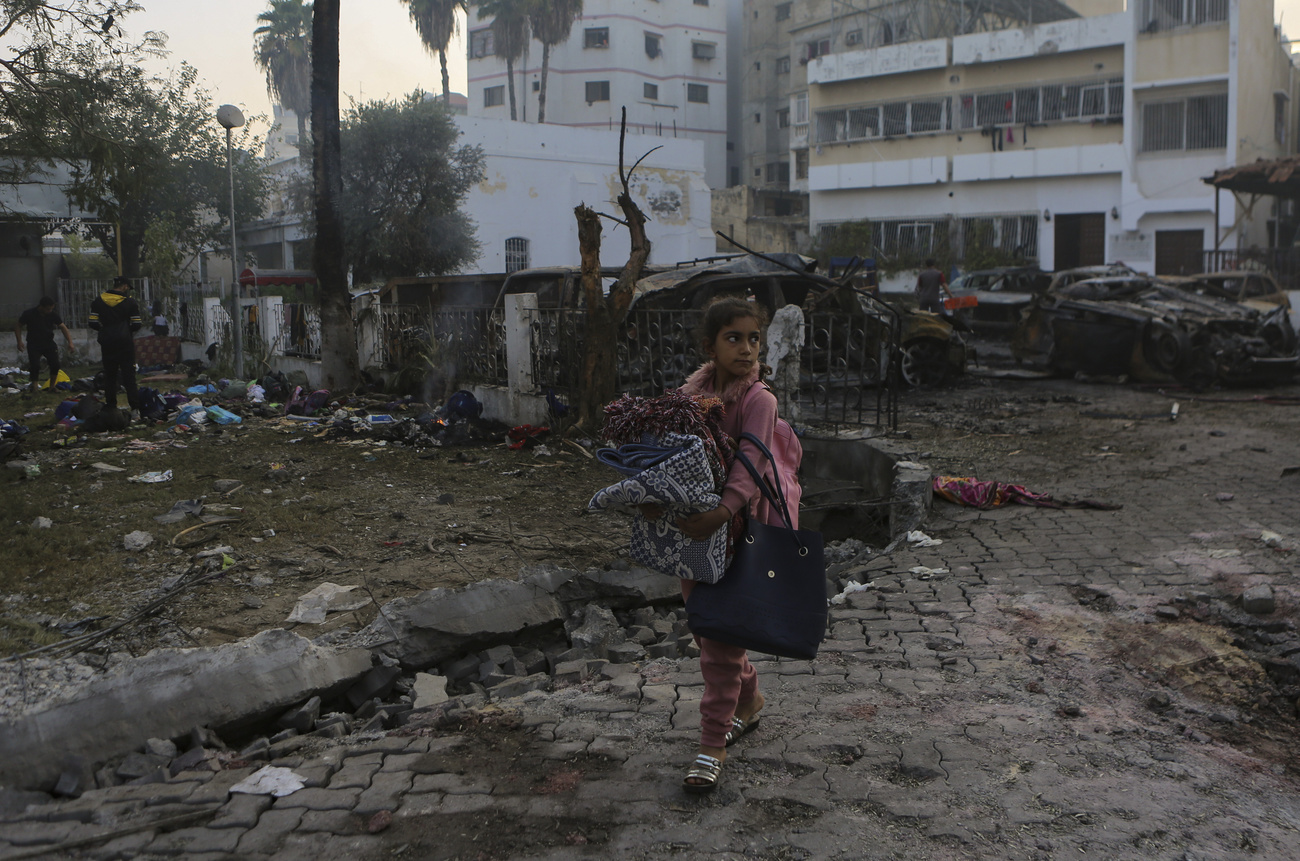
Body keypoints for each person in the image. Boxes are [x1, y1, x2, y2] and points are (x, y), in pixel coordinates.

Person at [653, 296, 788, 794]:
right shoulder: (691, 393)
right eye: (734, 338)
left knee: (722, 640)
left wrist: (722, 512)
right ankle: (749, 701)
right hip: (695, 533)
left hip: (739, 530)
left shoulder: (759, 400)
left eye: (754, 338)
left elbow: (750, 463)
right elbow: (672, 457)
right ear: (709, 345)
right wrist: (654, 497)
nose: (748, 349)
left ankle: (713, 743)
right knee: (709, 630)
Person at [88, 276, 142, 414]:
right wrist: (125, 332)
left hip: (107, 343)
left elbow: (92, 322)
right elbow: (137, 324)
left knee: (110, 375)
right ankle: (135, 408)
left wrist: (105, 330)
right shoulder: (130, 302)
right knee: (129, 375)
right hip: (124, 343)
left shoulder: (98, 301)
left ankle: (111, 406)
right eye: (128, 288)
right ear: (124, 286)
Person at [15, 297, 74, 393]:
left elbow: (63, 327)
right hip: (34, 343)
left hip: (48, 343)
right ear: (41, 307)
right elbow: (18, 325)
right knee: (35, 365)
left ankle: (52, 387)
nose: (50, 311)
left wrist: (70, 342)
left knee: (55, 364)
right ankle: (34, 388)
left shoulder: (52, 315)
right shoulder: (29, 314)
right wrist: (19, 341)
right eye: (48, 309)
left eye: (51, 309)